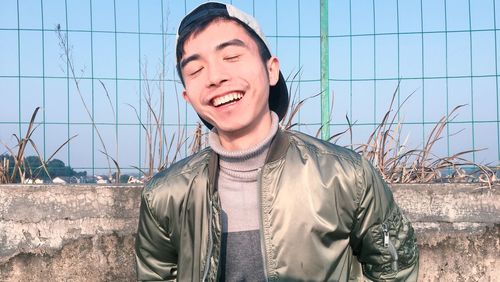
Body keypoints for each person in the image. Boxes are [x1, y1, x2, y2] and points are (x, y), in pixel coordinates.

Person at [135, 2, 419, 281]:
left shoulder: (345, 177)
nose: (215, 77)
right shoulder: (165, 196)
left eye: (231, 56)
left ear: (271, 70)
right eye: (195, 70)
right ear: (188, 96)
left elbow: (395, 269)